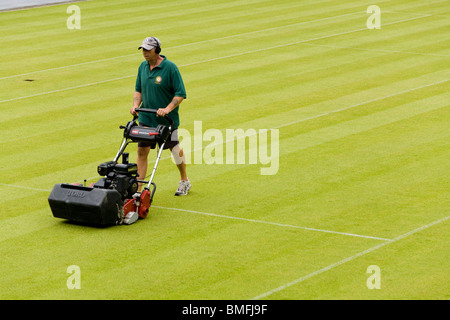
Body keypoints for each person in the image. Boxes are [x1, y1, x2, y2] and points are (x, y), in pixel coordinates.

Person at [130, 36, 191, 196]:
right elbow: (138, 90)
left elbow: (180, 94)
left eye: (148, 50)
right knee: (141, 151)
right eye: (143, 49)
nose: (144, 53)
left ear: (156, 50)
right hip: (145, 118)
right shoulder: (142, 67)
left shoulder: (170, 68)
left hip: (166, 121)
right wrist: (136, 105)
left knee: (174, 148)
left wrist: (167, 108)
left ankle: (184, 180)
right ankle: (138, 188)